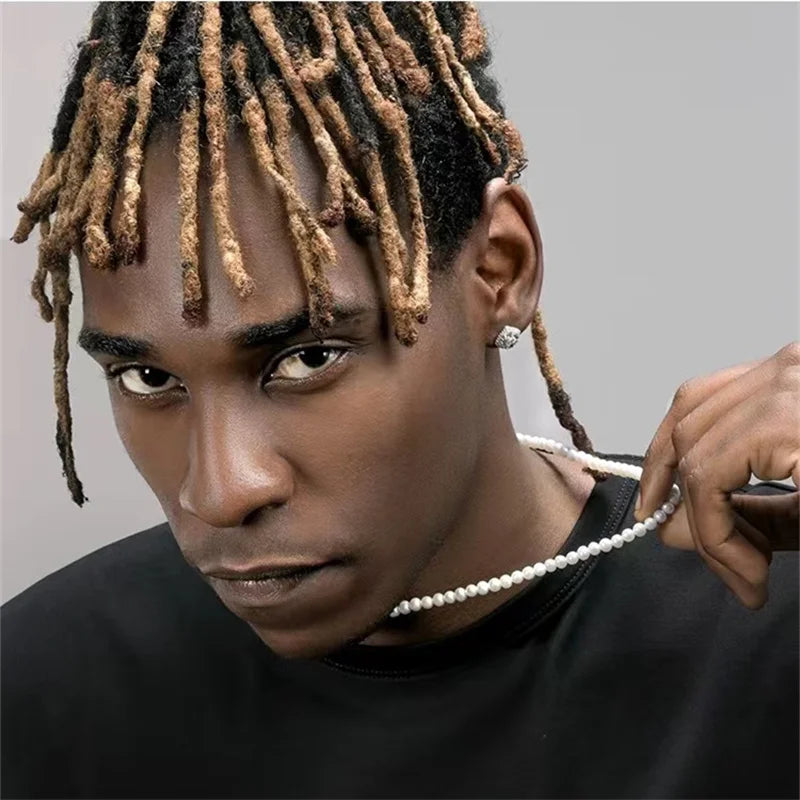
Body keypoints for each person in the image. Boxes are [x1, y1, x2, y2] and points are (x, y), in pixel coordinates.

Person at [2, 3, 797, 798]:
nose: (220, 492)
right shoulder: (43, 691)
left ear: (499, 269)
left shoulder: (765, 638)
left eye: (308, 358)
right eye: (147, 379)